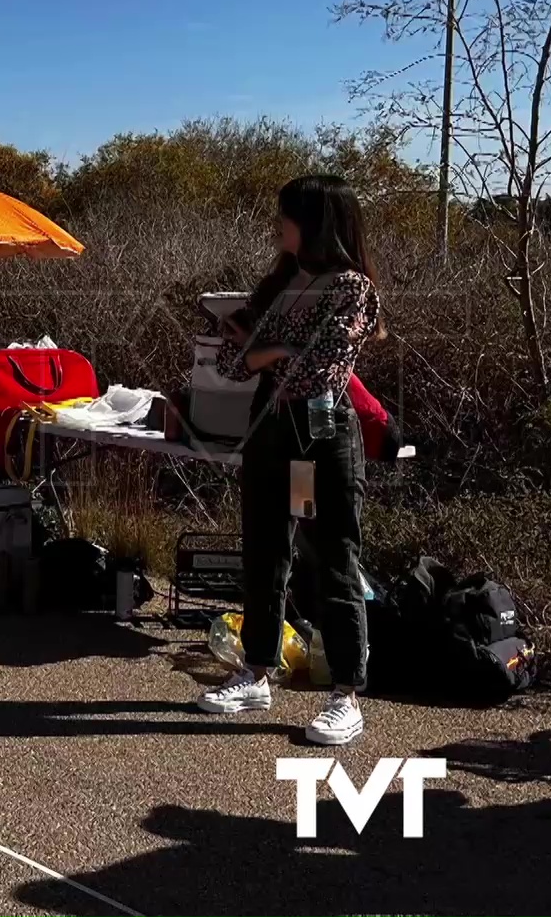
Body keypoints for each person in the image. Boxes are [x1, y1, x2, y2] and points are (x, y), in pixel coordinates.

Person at [197, 175, 383, 746]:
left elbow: (322, 369)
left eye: (286, 216)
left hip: (322, 432)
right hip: (270, 429)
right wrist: (271, 351)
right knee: (263, 550)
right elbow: (228, 365)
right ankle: (257, 670)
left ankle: (346, 692)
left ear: (316, 221)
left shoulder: (350, 288)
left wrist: (266, 351)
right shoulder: (280, 281)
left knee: (333, 556)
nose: (277, 226)